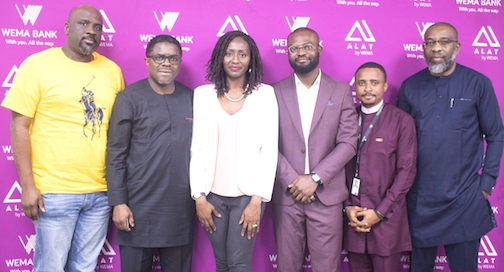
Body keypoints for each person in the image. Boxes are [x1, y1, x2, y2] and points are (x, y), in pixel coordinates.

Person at [1, 5, 124, 271]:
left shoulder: (112, 71)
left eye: (97, 27)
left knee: (84, 268)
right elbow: (19, 127)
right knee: (51, 268)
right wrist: (28, 185)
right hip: (54, 192)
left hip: (100, 193)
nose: (91, 31)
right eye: (83, 24)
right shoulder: (37, 65)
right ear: (67, 29)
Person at [397, 22, 504, 272]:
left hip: (465, 197)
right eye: (430, 42)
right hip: (420, 199)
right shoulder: (410, 86)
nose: (436, 48)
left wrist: (486, 184)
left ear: (456, 46)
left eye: (444, 42)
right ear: (423, 48)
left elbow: (496, 134)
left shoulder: (478, 83)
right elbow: (400, 142)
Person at [189, 30, 278, 272]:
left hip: (248, 197)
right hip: (212, 196)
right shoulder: (202, 95)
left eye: (242, 54)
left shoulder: (265, 95)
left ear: (251, 60)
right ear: (220, 57)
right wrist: (199, 197)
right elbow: (196, 148)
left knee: (239, 264)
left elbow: (269, 150)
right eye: (229, 53)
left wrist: (257, 201)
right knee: (222, 264)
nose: (235, 59)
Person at [272, 27, 358, 272]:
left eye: (307, 46)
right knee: (287, 267)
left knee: (327, 267)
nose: (301, 52)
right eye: (294, 48)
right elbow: (266, 143)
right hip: (287, 196)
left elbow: (349, 142)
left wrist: (316, 178)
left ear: (319, 48)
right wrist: (293, 180)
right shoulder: (273, 92)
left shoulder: (341, 91)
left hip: (327, 196)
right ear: (288, 53)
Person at [106, 35, 195, 272]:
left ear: (179, 61)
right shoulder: (129, 98)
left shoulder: (192, 98)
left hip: (180, 209)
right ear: (148, 61)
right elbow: (116, 153)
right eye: (159, 57)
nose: (166, 63)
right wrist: (118, 203)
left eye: (173, 58)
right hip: (137, 209)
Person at [343, 62, 417, 272]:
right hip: (354, 219)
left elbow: (407, 171)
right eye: (362, 83)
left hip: (387, 221)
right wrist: (348, 207)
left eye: (374, 83)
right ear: (354, 87)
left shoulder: (402, 121)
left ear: (385, 87)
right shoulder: (346, 119)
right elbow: (338, 168)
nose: (367, 89)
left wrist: (380, 212)